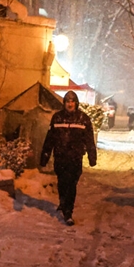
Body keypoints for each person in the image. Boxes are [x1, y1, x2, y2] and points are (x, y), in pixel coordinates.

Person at [39, 90, 97, 226]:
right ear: (64, 103)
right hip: (60, 157)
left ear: (76, 103)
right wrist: (45, 155)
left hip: (75, 158)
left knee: (71, 184)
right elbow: (50, 139)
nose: (70, 104)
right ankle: (64, 203)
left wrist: (92, 156)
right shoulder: (57, 118)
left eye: (72, 101)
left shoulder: (83, 119)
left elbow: (89, 140)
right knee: (62, 183)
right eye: (67, 101)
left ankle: (68, 212)